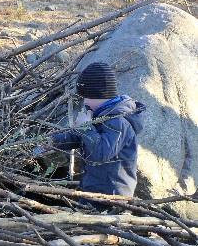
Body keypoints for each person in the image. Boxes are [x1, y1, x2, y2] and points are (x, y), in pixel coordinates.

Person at [43, 62, 146, 206]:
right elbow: (80, 138)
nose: (84, 102)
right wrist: (54, 141)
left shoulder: (119, 122)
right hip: (94, 188)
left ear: (100, 95)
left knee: (93, 225)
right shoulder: (102, 115)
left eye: (87, 98)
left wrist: (86, 127)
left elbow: (101, 153)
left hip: (112, 195)